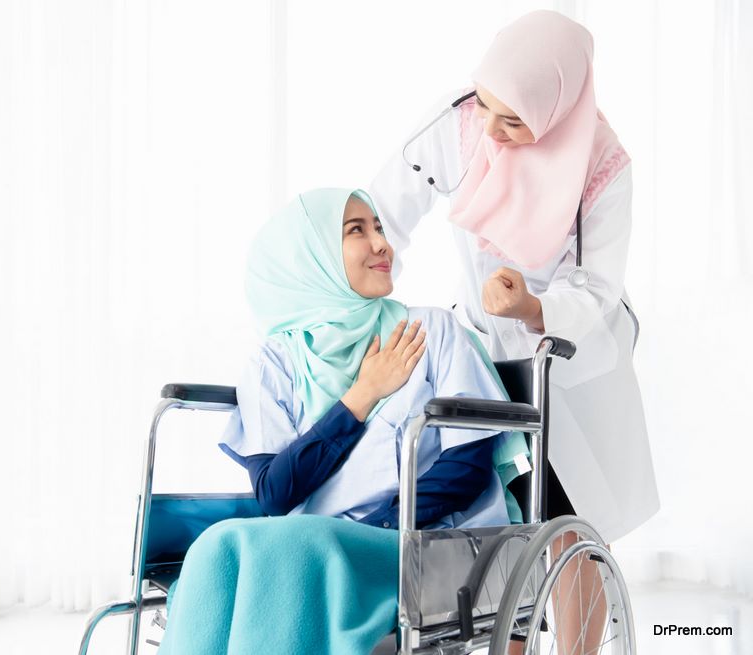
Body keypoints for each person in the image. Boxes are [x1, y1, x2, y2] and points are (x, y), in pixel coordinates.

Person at [157, 188, 528, 655]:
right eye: (357, 230)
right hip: (314, 534)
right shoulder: (275, 361)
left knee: (296, 549)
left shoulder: (430, 332)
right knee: (217, 545)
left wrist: (383, 524)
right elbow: (276, 492)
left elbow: (468, 465)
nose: (381, 244)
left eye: (378, 227)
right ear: (310, 258)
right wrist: (360, 396)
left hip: (417, 539)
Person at [369, 9, 658, 546]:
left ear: (554, 107)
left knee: (571, 525)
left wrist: (531, 308)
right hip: (481, 345)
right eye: (486, 105)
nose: (492, 131)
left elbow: (597, 284)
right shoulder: (462, 118)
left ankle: (579, 633)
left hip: (568, 354)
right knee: (499, 516)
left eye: (514, 120)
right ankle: (512, 634)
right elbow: (383, 211)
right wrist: (363, 293)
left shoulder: (603, 163)